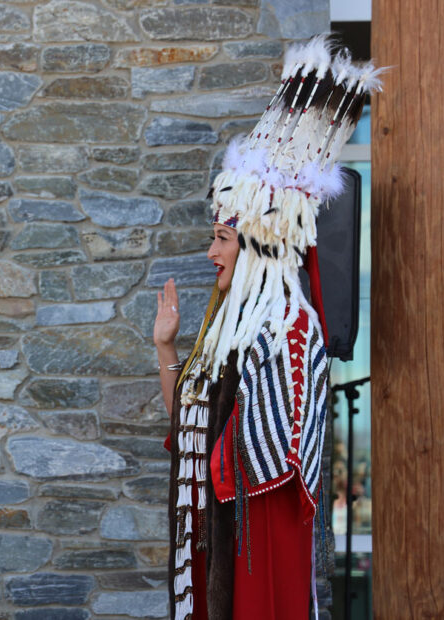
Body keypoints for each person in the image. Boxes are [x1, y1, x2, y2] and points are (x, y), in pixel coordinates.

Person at [152, 37, 383, 619]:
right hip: (217, 535)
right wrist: (167, 349)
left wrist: (207, 456)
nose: (211, 252)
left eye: (222, 238)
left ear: (261, 244)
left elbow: (270, 459)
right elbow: (188, 427)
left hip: (258, 546)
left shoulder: (290, 328)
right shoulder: (228, 324)